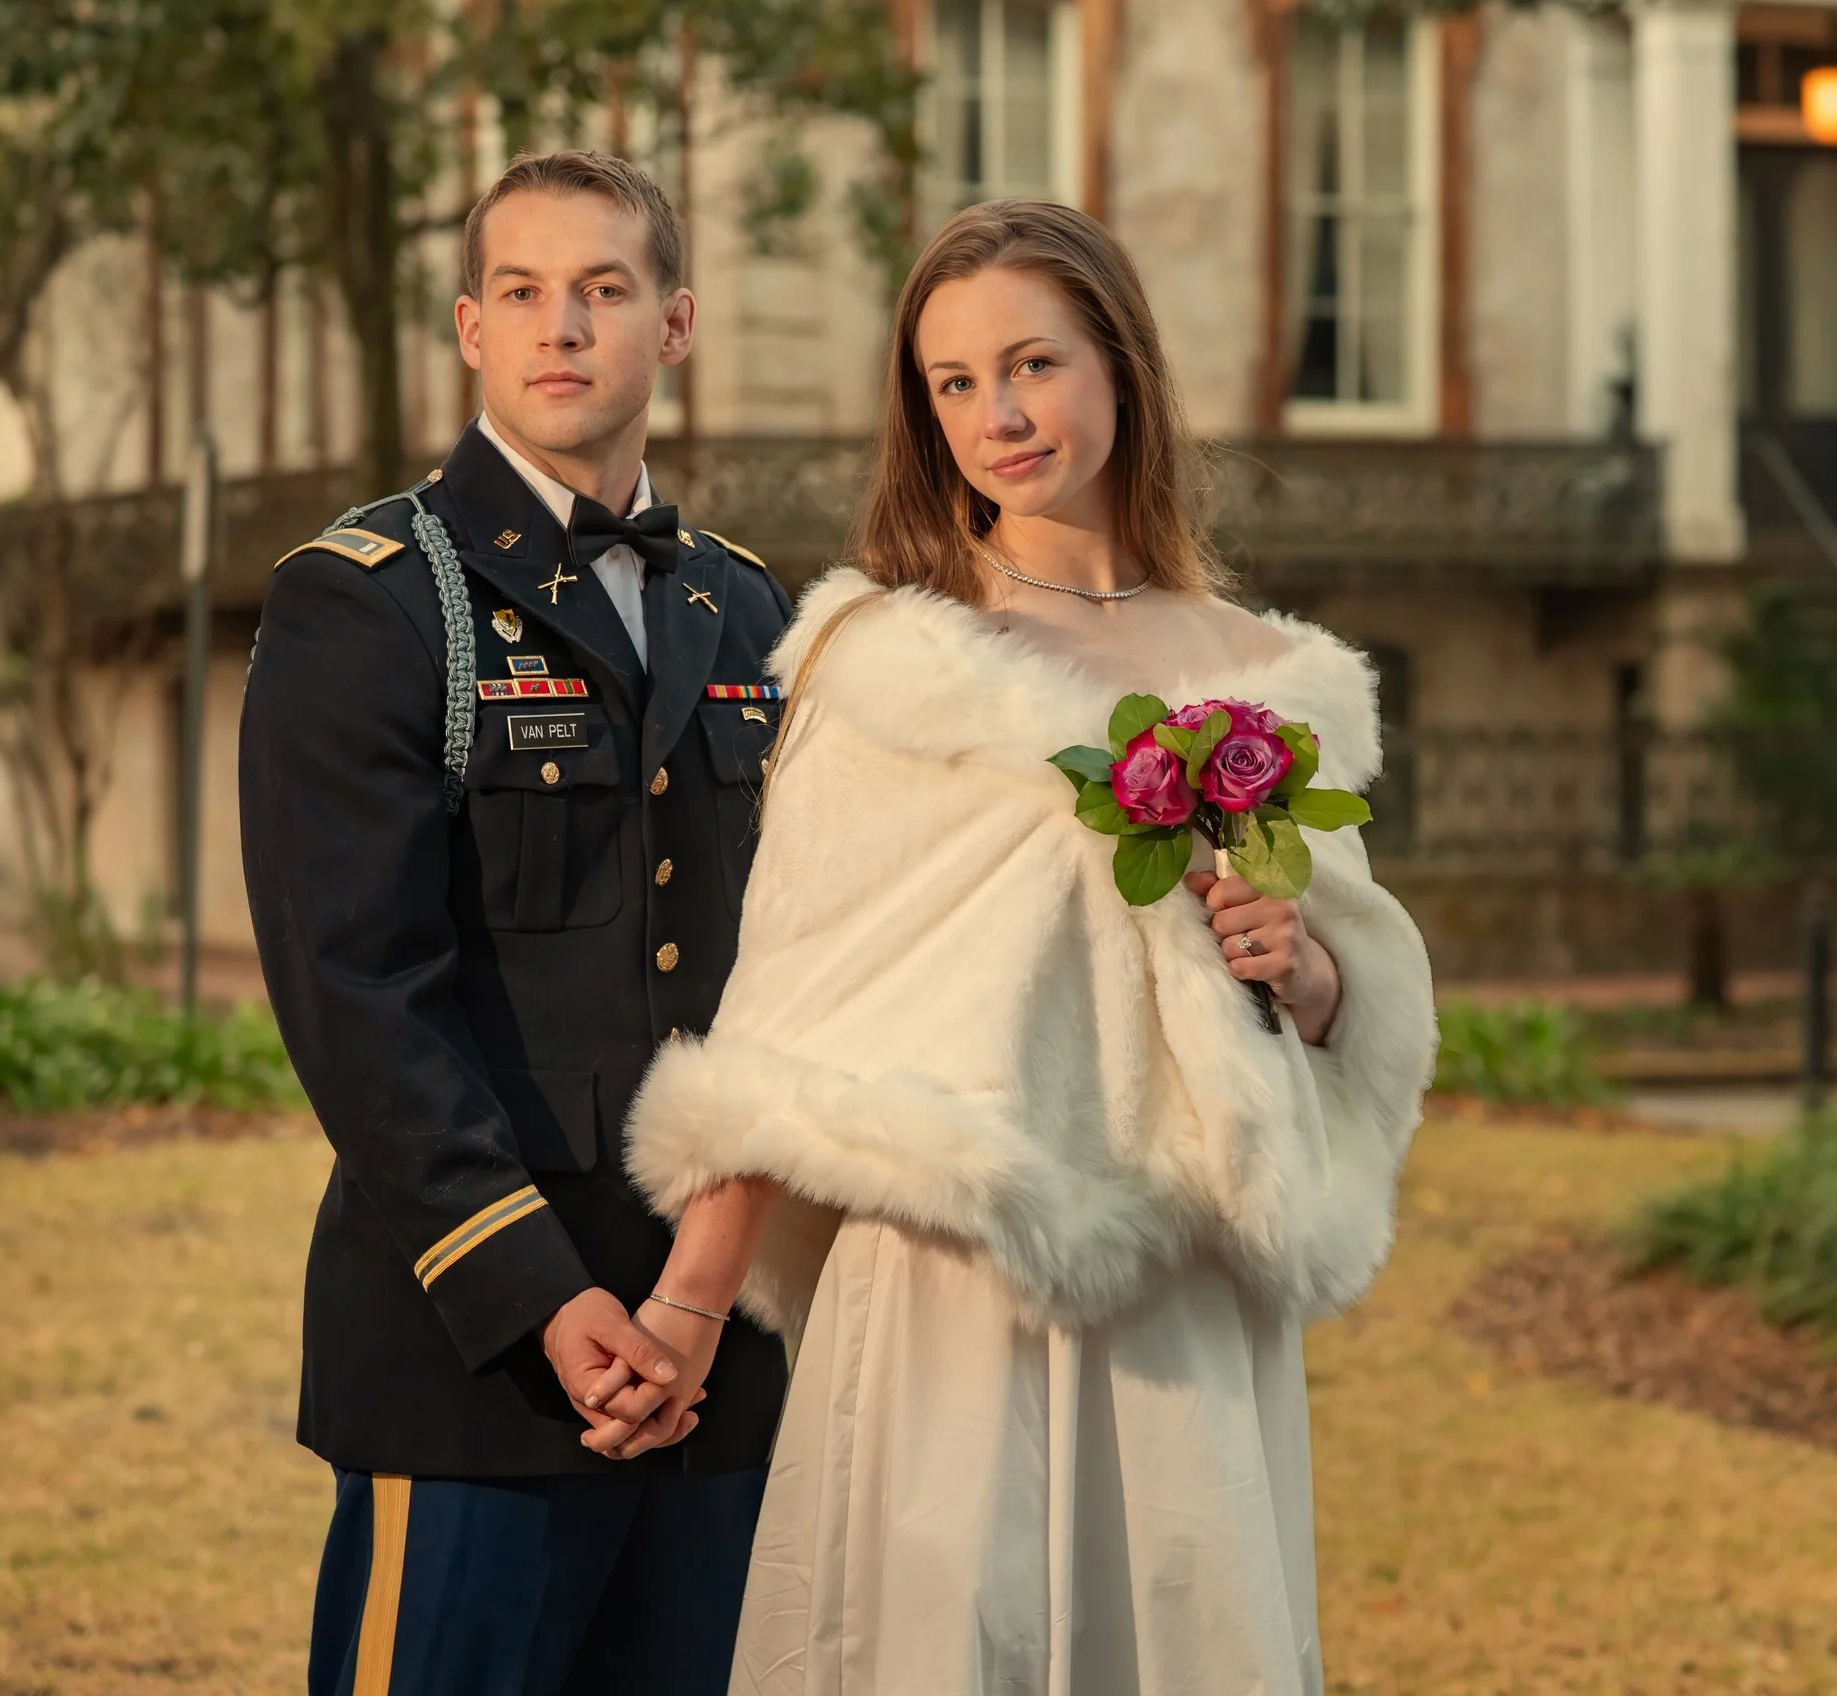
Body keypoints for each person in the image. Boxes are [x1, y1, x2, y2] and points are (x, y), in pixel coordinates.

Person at [604, 200, 1439, 1695]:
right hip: (958, 1279)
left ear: (1117, 361)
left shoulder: (1261, 672)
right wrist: (689, 1302)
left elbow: (1349, 989)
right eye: (953, 383)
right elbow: (794, 1002)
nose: (998, 414)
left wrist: (1298, 965)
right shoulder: (897, 664)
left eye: (1033, 364)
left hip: (1187, 1297)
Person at [240, 149, 796, 1696]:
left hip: (715, 1355)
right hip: (473, 1346)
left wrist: (694, 1300)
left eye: (606, 292)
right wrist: (544, 1298)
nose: (567, 327)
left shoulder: (752, 613)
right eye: (527, 292)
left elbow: (793, 978)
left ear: (673, 326)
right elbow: (356, 996)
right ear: (472, 329)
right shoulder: (366, 599)